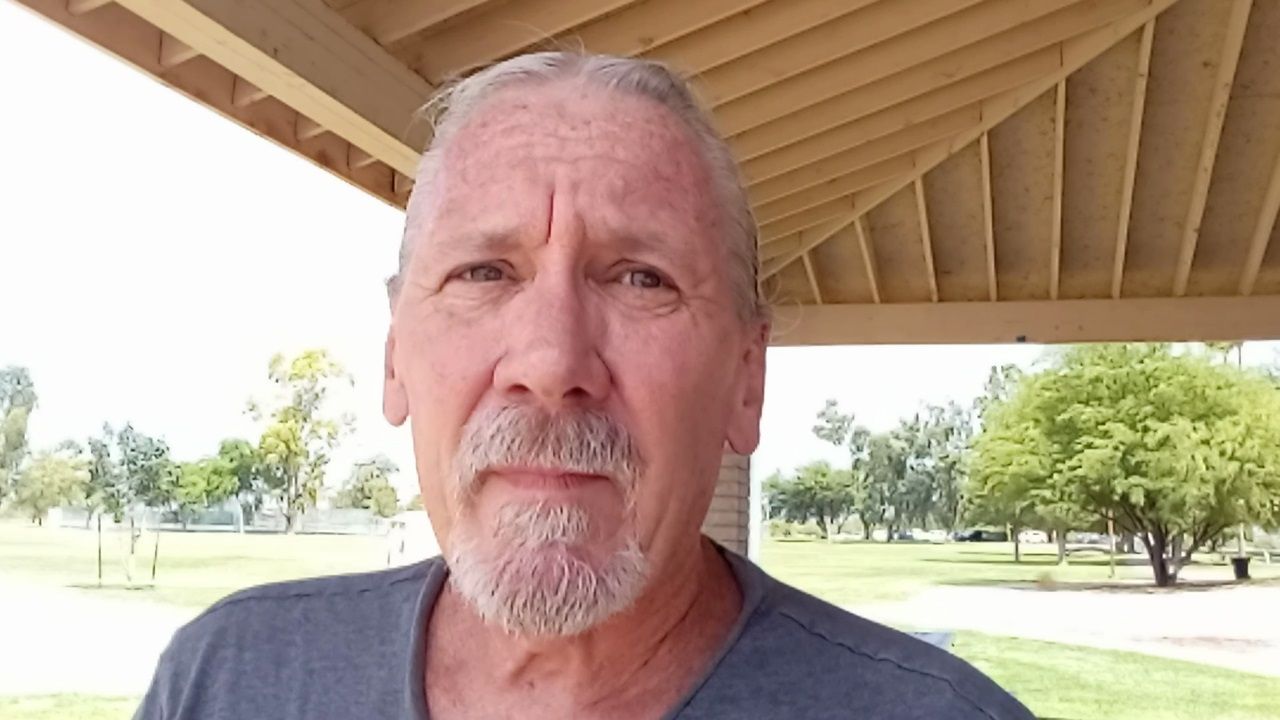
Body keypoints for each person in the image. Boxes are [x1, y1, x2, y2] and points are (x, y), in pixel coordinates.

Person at [135, 52, 1033, 720]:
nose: (552, 362)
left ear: (746, 380)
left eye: (641, 279)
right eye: (484, 272)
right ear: (395, 355)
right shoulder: (228, 679)